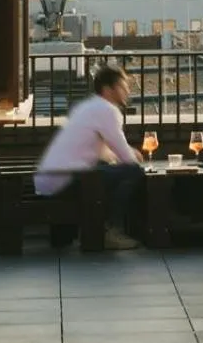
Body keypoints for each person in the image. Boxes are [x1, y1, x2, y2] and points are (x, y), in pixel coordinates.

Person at [34, 65, 144, 250]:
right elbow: (125, 155)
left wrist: (125, 155)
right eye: (123, 87)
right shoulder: (107, 110)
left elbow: (103, 151)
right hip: (70, 180)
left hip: (55, 177)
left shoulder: (89, 106)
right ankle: (110, 231)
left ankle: (104, 228)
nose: (127, 91)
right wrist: (136, 158)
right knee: (133, 172)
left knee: (114, 171)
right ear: (108, 90)